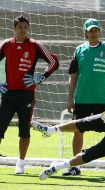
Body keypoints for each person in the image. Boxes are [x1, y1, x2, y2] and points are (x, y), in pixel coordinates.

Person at [0, 15, 59, 174]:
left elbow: (54, 62)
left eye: (25, 27)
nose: (23, 30)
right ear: (14, 28)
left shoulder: (35, 45)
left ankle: (20, 163)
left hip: (27, 94)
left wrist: (40, 77)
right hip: (8, 93)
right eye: (20, 27)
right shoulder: (6, 44)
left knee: (24, 129)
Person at [65, 18, 105, 176]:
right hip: (82, 99)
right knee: (78, 131)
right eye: (91, 30)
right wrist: (70, 98)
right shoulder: (79, 50)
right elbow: (73, 75)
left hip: (103, 99)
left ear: (99, 31)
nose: (94, 32)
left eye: (96, 29)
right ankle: (75, 167)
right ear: (85, 32)